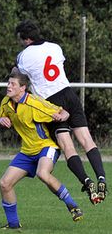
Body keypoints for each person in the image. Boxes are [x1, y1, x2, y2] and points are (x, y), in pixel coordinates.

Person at [15, 20, 106, 204]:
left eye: (20, 40)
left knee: (67, 146)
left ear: (26, 39)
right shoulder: (55, 47)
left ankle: (86, 182)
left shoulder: (23, 56)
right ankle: (102, 178)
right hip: (68, 93)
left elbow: (19, 75)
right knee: (87, 140)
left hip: (51, 103)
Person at [0, 70, 83, 229]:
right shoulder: (6, 102)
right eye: (8, 83)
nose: (8, 86)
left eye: (12, 84)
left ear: (23, 88)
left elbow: (63, 111)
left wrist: (61, 115)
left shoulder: (34, 103)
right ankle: (13, 225)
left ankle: (72, 205)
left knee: (42, 173)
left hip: (46, 147)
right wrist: (0, 120)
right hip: (27, 151)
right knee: (4, 184)